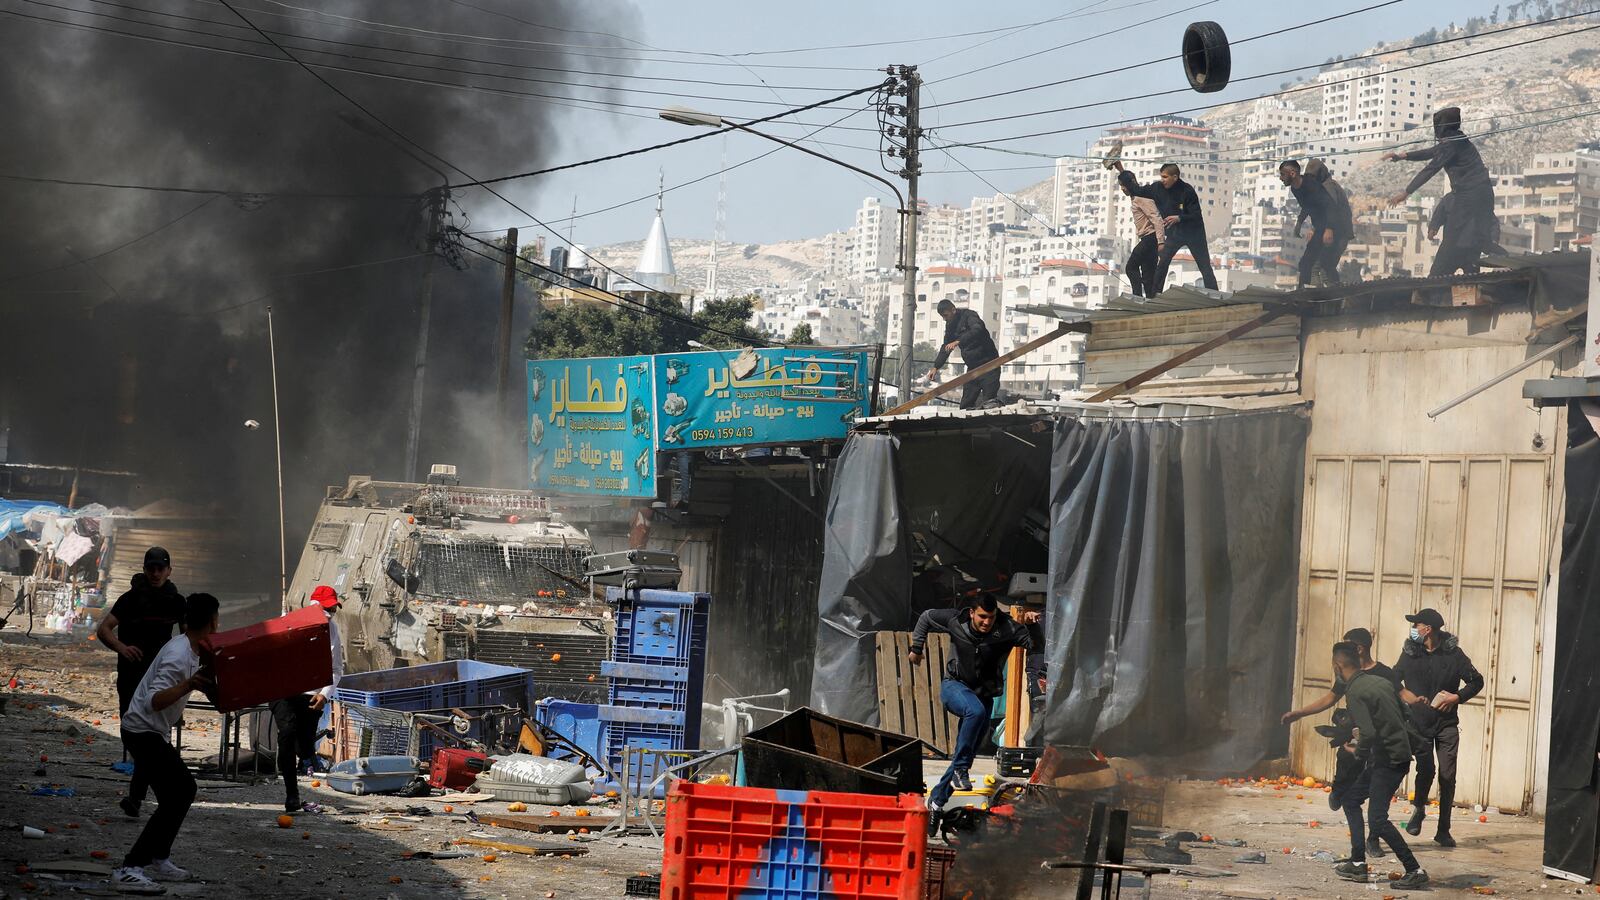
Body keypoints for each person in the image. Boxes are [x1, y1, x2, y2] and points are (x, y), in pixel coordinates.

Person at [111, 593, 218, 891]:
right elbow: (155, 700)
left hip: (150, 731)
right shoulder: (178, 655)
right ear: (213, 621)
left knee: (183, 791)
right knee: (178, 793)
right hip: (142, 731)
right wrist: (188, 684)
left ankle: (159, 856)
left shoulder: (192, 649)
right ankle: (130, 868)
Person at [908, 594, 1037, 830]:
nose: (987, 622)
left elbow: (1033, 644)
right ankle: (958, 771)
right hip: (955, 686)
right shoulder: (955, 620)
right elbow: (926, 617)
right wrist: (916, 647)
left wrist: (1032, 625)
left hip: (984, 694)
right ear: (971, 613)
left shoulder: (1006, 628)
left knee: (965, 755)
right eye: (982, 617)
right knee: (974, 716)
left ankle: (937, 800)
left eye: (991, 617)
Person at [1281, 627, 1404, 859]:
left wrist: (1419, 702)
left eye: (1347, 644)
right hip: (1354, 740)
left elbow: (1401, 695)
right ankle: (1338, 791)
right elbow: (1330, 698)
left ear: (1359, 648)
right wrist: (1300, 713)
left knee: (1375, 798)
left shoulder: (1383, 674)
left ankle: (1372, 840)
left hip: (1375, 745)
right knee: (1347, 783)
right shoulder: (1347, 676)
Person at [96, 547, 186, 819]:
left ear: (169, 570)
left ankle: (137, 796)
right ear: (145, 570)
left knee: (152, 734)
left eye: (161, 568)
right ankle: (147, 790)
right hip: (132, 674)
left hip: (160, 680)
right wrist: (122, 648)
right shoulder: (130, 599)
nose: (156, 573)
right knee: (131, 731)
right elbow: (104, 629)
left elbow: (187, 637)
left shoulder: (177, 602)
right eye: (151, 568)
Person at [1331, 641, 1429, 889]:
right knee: (1351, 800)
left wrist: (1357, 752)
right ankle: (1357, 864)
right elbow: (1401, 716)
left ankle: (1414, 869)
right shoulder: (1381, 682)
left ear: (1338, 666)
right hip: (1391, 756)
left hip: (1389, 760)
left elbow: (1368, 732)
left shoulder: (1355, 692)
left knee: (1377, 820)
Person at [1393, 607, 1484, 847]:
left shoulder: (1454, 655)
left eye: (1417, 625)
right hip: (1418, 724)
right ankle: (1419, 809)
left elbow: (1477, 680)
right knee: (1426, 770)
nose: (1414, 629)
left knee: (1447, 775)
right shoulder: (1410, 653)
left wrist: (1457, 697)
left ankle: (1444, 829)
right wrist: (1407, 697)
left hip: (1446, 725)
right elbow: (1393, 678)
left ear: (1428, 629)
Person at [1383, 107, 1504, 276]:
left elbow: (1431, 168)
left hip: (1469, 195)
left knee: (1453, 238)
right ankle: (1503, 257)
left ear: (1441, 127)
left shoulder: (1451, 144)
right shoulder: (1459, 140)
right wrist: (1404, 156)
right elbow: (1432, 152)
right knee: (1479, 237)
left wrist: (1407, 192)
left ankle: (1437, 277)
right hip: (1484, 194)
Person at [270, 585, 345, 813]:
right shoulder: (288, 621)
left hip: (312, 696)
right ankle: (292, 794)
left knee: (304, 747)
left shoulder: (332, 630)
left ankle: (304, 757)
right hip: (283, 691)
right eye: (326, 608)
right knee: (287, 734)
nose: (329, 613)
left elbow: (336, 668)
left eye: (332, 609)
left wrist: (324, 694)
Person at [1115, 162, 1218, 291]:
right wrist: (1122, 172)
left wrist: (1179, 218)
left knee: (1204, 266)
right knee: (1162, 263)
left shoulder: (1187, 191)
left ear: (1175, 177)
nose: (1162, 180)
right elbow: (1138, 190)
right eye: (1161, 177)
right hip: (1175, 234)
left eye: (1165, 177)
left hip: (1194, 233)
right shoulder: (1157, 188)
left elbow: (1196, 215)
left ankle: (1214, 293)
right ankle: (1155, 294)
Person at [925, 298, 1000, 410]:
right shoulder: (950, 326)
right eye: (943, 317)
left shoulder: (969, 316)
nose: (945, 319)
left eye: (946, 315)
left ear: (953, 310)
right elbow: (946, 347)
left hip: (989, 365)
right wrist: (936, 366)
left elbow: (978, 329)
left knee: (989, 403)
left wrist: (958, 341)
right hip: (973, 368)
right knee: (966, 404)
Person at [1120, 179, 1166, 297]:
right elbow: (1128, 176)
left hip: (1150, 238)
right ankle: (1150, 300)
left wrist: (1161, 242)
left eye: (1123, 185)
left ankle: (1137, 296)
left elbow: (1156, 218)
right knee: (1148, 275)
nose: (1122, 189)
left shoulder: (1141, 198)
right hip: (1148, 238)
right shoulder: (1136, 197)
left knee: (1131, 267)